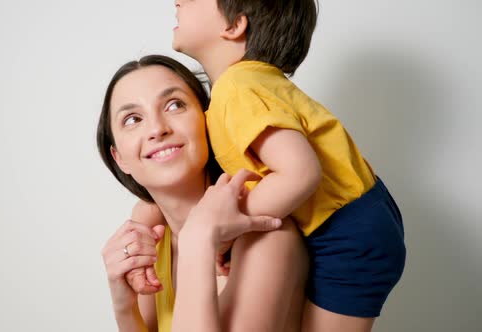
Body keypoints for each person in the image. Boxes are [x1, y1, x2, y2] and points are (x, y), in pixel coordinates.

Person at [132, 0, 407, 331]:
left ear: (234, 27)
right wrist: (144, 219)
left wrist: (228, 230)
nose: (178, 1)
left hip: (346, 230)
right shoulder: (245, 86)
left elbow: (299, 173)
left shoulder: (238, 89)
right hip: (356, 216)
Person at [98, 55, 309, 331]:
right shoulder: (154, 238)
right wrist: (124, 307)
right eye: (132, 119)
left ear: (208, 122)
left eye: (175, 105)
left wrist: (197, 240)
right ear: (119, 158)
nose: (157, 129)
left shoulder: (266, 237)